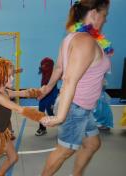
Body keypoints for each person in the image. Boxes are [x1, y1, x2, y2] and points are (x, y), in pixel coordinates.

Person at [39, 1, 113, 175]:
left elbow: (59, 68)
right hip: (75, 108)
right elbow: (70, 80)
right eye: (104, 15)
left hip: (83, 108)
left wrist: (47, 88)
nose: (105, 20)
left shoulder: (72, 37)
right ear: (94, 13)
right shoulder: (85, 42)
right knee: (65, 150)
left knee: (93, 143)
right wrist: (60, 117)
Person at [0, 58, 48, 176]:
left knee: (13, 158)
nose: (12, 78)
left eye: (12, 75)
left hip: (3, 133)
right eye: (9, 76)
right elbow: (19, 108)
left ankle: (0, 174)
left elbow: (22, 93)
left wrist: (38, 91)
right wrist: (40, 117)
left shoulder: (6, 92)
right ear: (0, 76)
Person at [35, 57, 59, 136]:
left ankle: (63, 125)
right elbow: (44, 86)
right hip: (44, 94)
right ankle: (42, 128)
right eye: (42, 65)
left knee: (51, 111)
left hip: (51, 94)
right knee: (40, 111)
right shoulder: (44, 72)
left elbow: (50, 87)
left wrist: (40, 96)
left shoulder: (53, 73)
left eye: (45, 65)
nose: (43, 67)